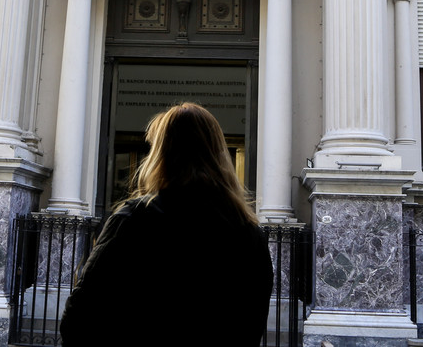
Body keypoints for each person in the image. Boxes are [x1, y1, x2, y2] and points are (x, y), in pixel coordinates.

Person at [60, 102, 274, 347]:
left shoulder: (134, 220)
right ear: (219, 154)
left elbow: (80, 314)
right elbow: (251, 325)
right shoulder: (248, 233)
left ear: (160, 155)